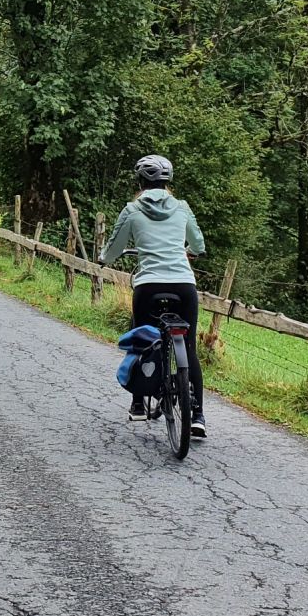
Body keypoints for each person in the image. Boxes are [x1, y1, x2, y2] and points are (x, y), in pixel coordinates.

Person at [99, 154, 208, 437]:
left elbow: (113, 248)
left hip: (148, 286)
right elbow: (198, 244)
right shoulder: (182, 208)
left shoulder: (132, 210)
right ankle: (198, 416)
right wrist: (189, 251)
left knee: (141, 340)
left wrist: (104, 259)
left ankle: (138, 404)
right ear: (168, 182)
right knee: (190, 348)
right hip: (184, 285)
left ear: (140, 182)